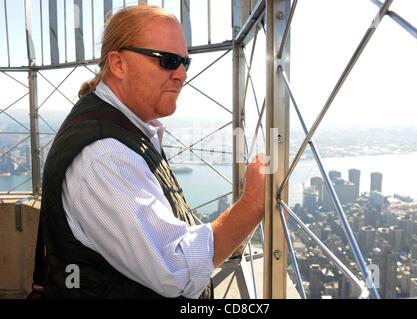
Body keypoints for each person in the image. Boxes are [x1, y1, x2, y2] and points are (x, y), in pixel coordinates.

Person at [39, 5, 266, 299]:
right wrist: (252, 204)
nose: (182, 74)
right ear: (118, 64)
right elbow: (177, 270)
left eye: (186, 61)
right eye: (168, 61)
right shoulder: (105, 155)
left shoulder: (121, 126)